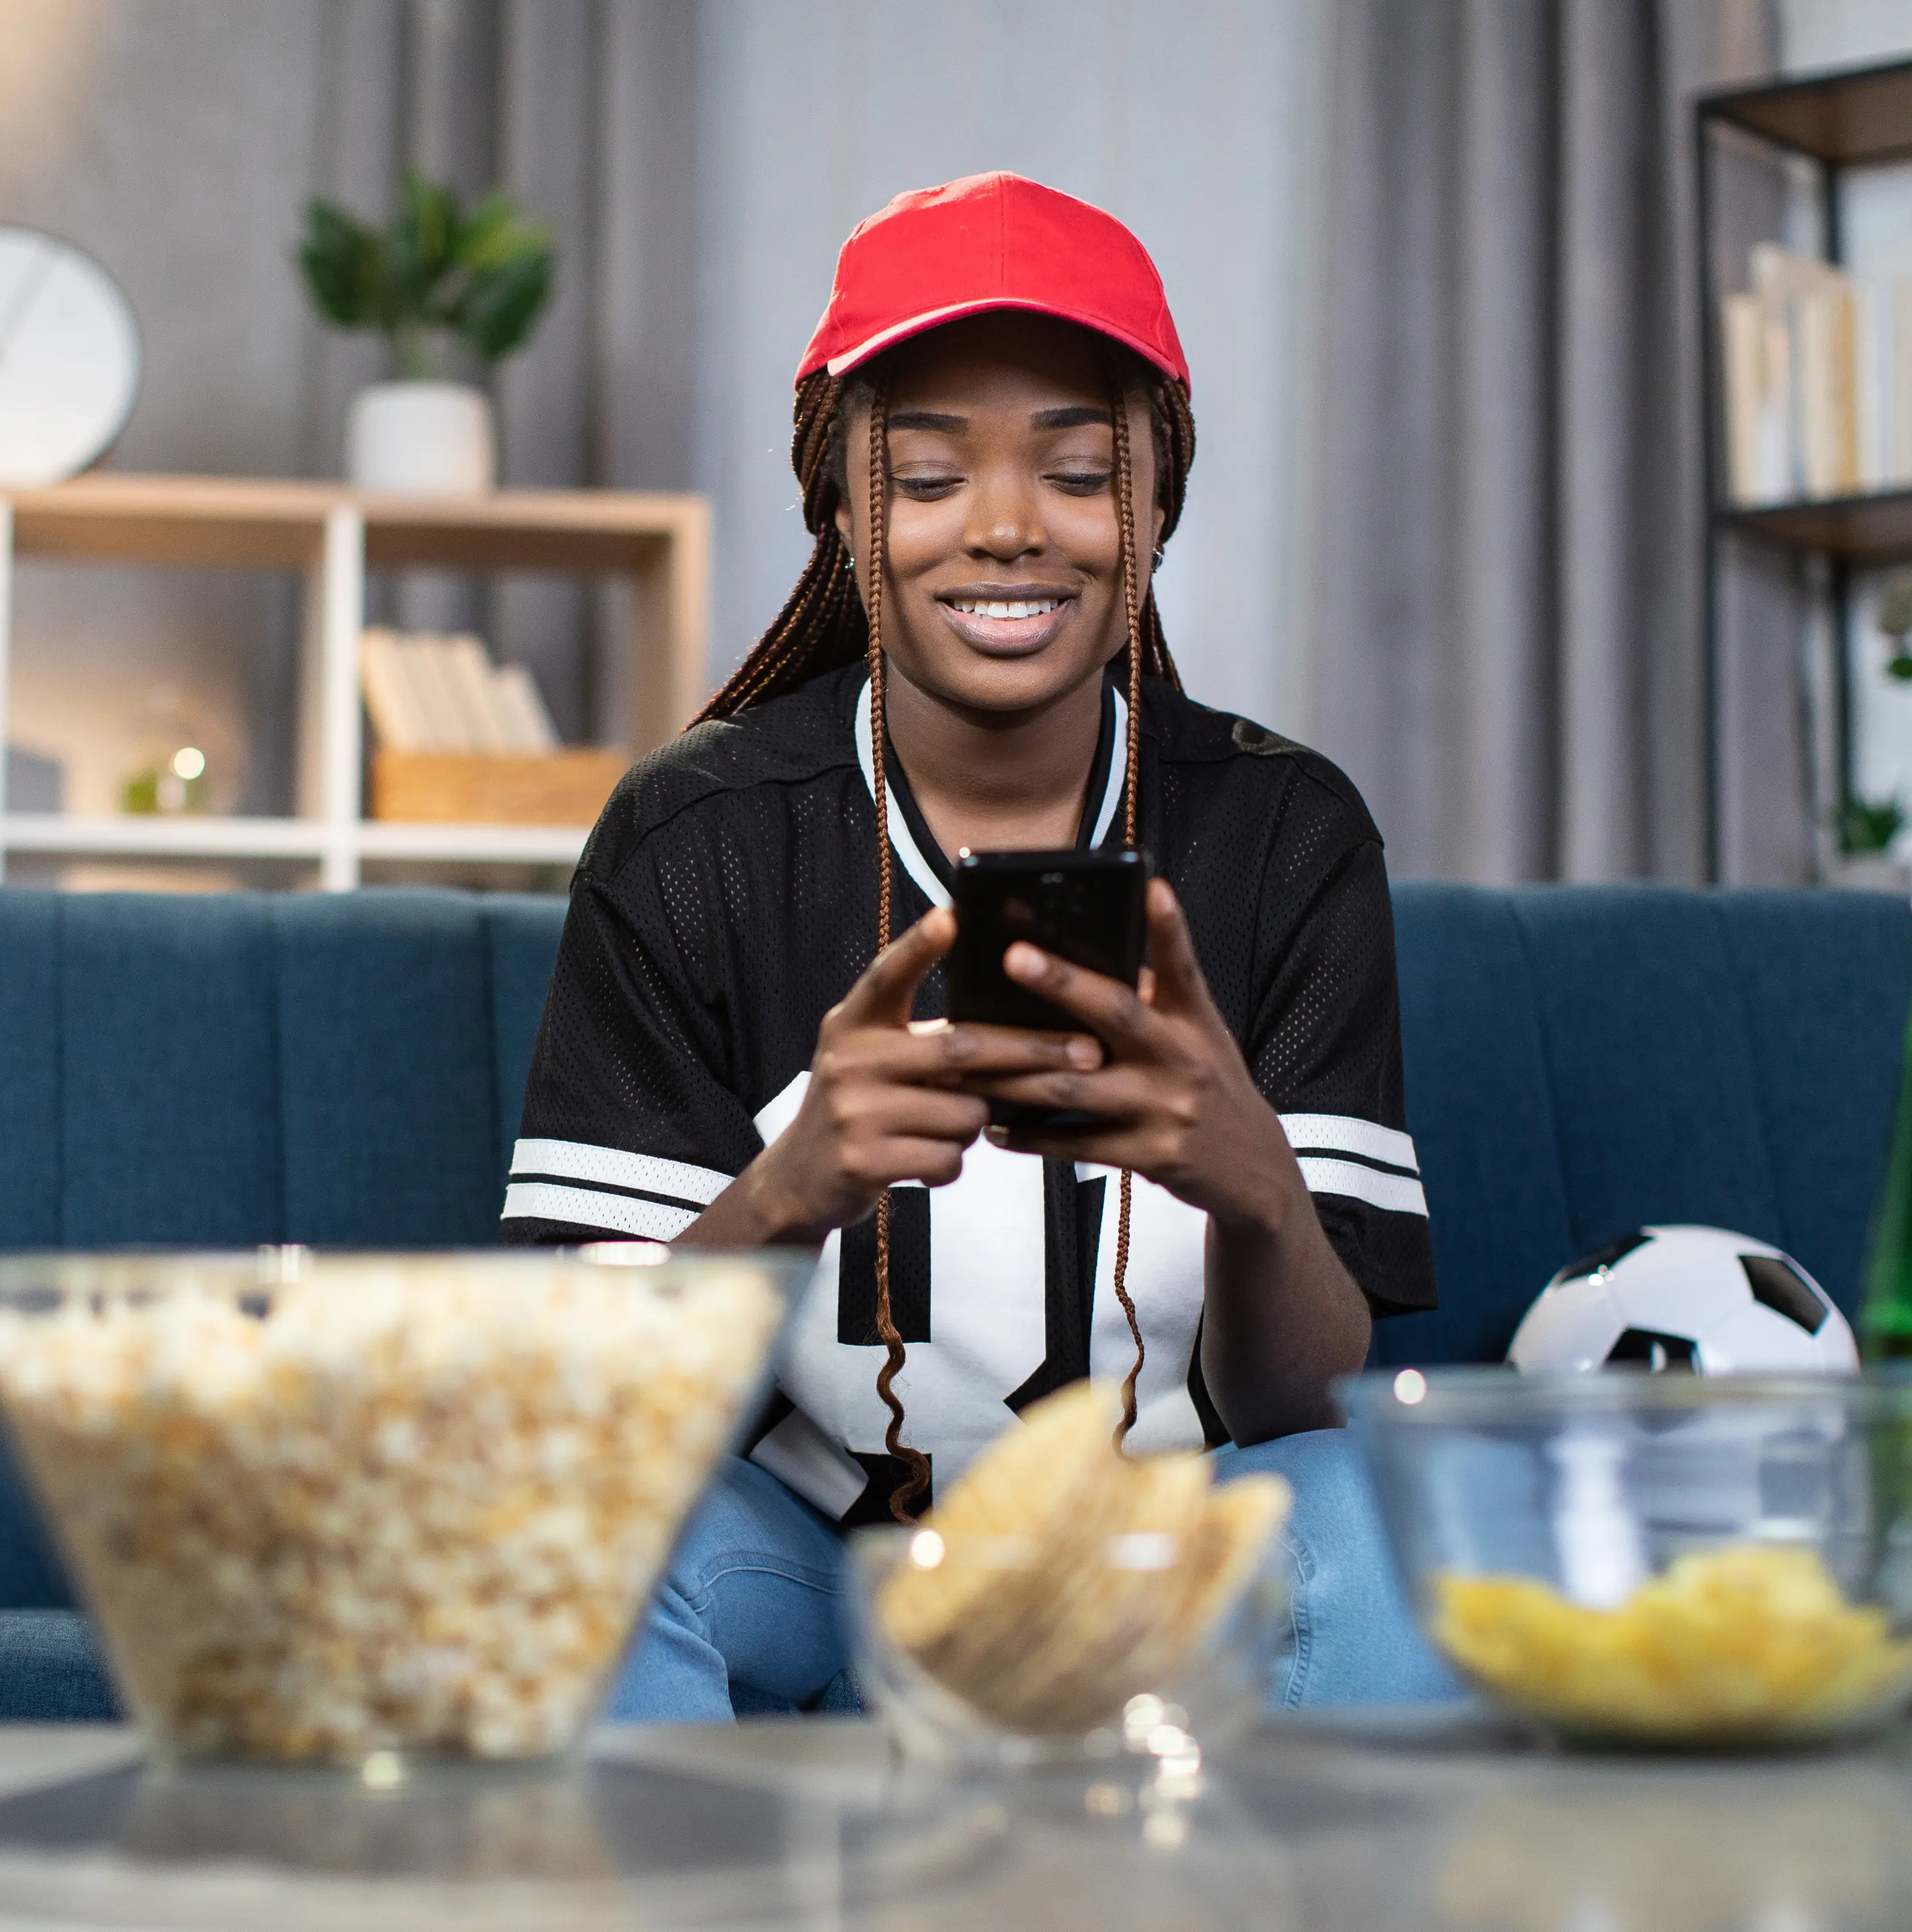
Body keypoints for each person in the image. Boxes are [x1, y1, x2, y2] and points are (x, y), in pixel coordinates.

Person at [504, 172, 1453, 1717]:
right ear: (836, 499)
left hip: (1179, 1561)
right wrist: (784, 1191)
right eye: (929, 475)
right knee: (578, 1535)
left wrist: (1255, 1186)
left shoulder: (1284, 835)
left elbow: (1309, 1406)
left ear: (1155, 498)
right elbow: (592, 1420)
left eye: (1076, 470)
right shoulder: (696, 842)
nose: (1007, 527)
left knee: (1379, 1518)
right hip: (818, 1571)